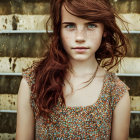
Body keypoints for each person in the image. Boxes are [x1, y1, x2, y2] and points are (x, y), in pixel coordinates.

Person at [16, 0, 130, 139]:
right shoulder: (33, 83)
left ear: (104, 30)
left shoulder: (116, 93)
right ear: (58, 30)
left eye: (91, 25)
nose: (80, 37)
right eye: (70, 25)